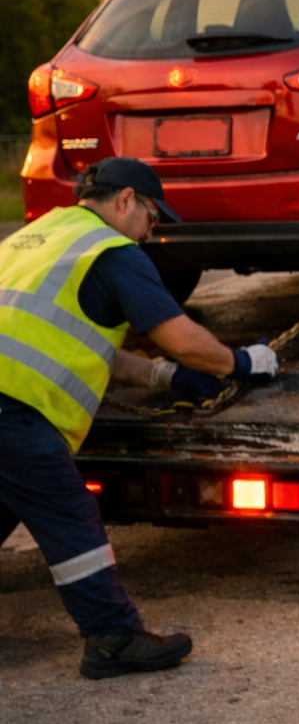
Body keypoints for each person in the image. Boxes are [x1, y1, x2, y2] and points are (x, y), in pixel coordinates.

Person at [0, 157, 279, 680]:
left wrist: (163, 378)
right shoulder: (113, 252)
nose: (153, 231)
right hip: (14, 410)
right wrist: (242, 362)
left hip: (7, 399)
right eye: (153, 216)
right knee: (71, 520)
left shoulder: (37, 237)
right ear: (126, 200)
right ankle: (113, 638)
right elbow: (178, 334)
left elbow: (64, 336)